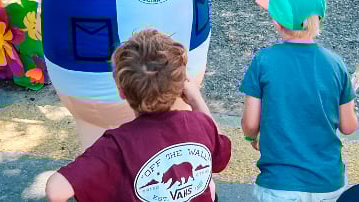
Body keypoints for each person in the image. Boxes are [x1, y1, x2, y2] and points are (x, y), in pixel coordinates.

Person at [45, 29, 232, 202]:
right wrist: (196, 99)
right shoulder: (199, 123)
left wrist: (91, 163)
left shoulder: (116, 146)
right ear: (181, 85)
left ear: (121, 91)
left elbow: (56, 191)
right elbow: (220, 158)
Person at [241, 0, 359, 202]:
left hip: (280, 184)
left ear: (277, 21)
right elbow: (348, 126)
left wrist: (252, 139)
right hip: (328, 183)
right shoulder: (336, 64)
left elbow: (250, 123)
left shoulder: (263, 61)